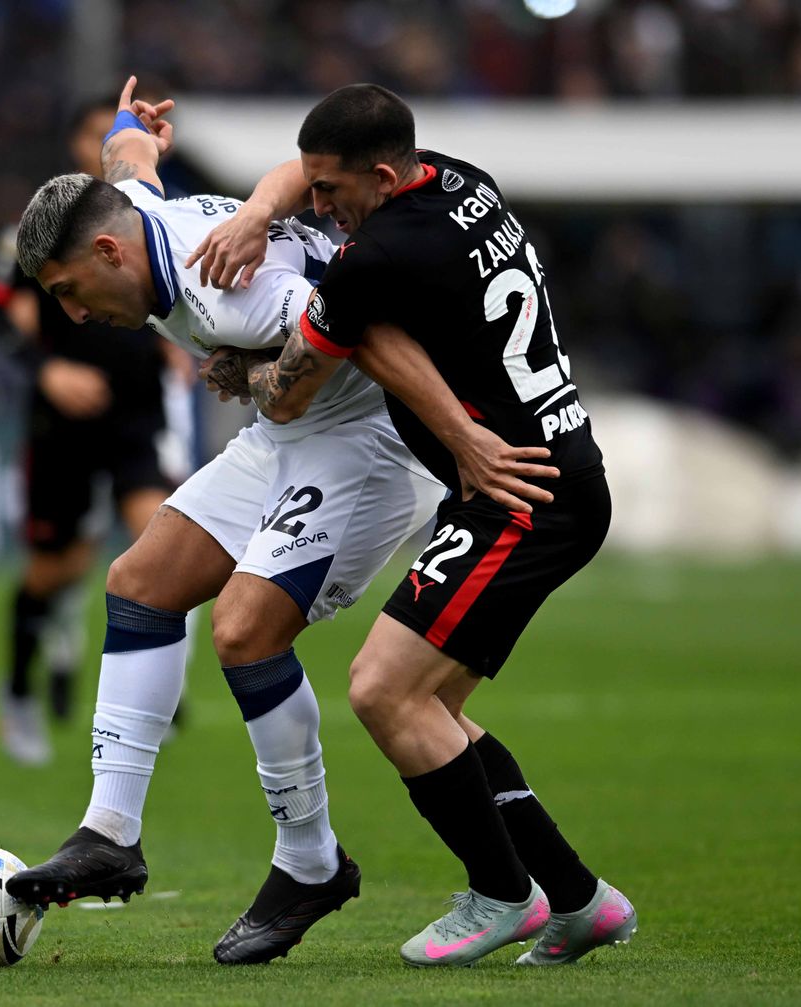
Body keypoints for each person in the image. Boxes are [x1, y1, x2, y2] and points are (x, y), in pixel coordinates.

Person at [3, 78, 454, 964]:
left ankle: (309, 861)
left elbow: (361, 332)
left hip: (366, 442)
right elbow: (124, 163)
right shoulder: (133, 210)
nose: (74, 314)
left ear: (106, 249)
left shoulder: (225, 293)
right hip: (290, 435)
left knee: (245, 631)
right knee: (139, 581)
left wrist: (460, 440)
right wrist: (136, 129)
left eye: (68, 290)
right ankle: (110, 833)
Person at [188, 83, 637, 967]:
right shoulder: (462, 182)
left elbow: (289, 396)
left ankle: (503, 893)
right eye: (311, 188)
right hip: (555, 471)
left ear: (384, 176)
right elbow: (386, 325)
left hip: (518, 493)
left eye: (330, 192)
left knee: (383, 691)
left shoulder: (372, 261)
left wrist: (244, 372)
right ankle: (582, 900)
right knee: (434, 711)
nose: (319, 208)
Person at [0, 95, 187, 766]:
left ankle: (148, 700)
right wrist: (47, 374)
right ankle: (17, 690)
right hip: (61, 422)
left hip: (137, 412)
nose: (108, 146)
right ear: (74, 146)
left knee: (163, 544)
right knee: (56, 568)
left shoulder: (153, 217)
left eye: (115, 135)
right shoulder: (32, 237)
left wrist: (184, 343)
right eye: (96, 135)